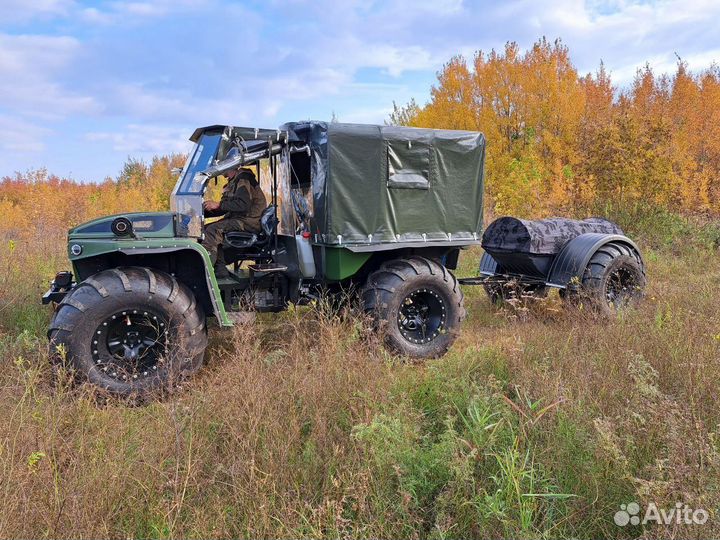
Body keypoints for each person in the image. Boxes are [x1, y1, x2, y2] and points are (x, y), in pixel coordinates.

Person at [202, 157, 267, 278]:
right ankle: (220, 269)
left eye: (221, 167)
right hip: (240, 219)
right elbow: (225, 208)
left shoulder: (244, 179)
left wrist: (217, 204)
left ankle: (205, 270)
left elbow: (243, 205)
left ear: (229, 166)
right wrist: (205, 211)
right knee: (207, 228)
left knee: (213, 230)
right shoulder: (234, 182)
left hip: (249, 222)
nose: (221, 173)